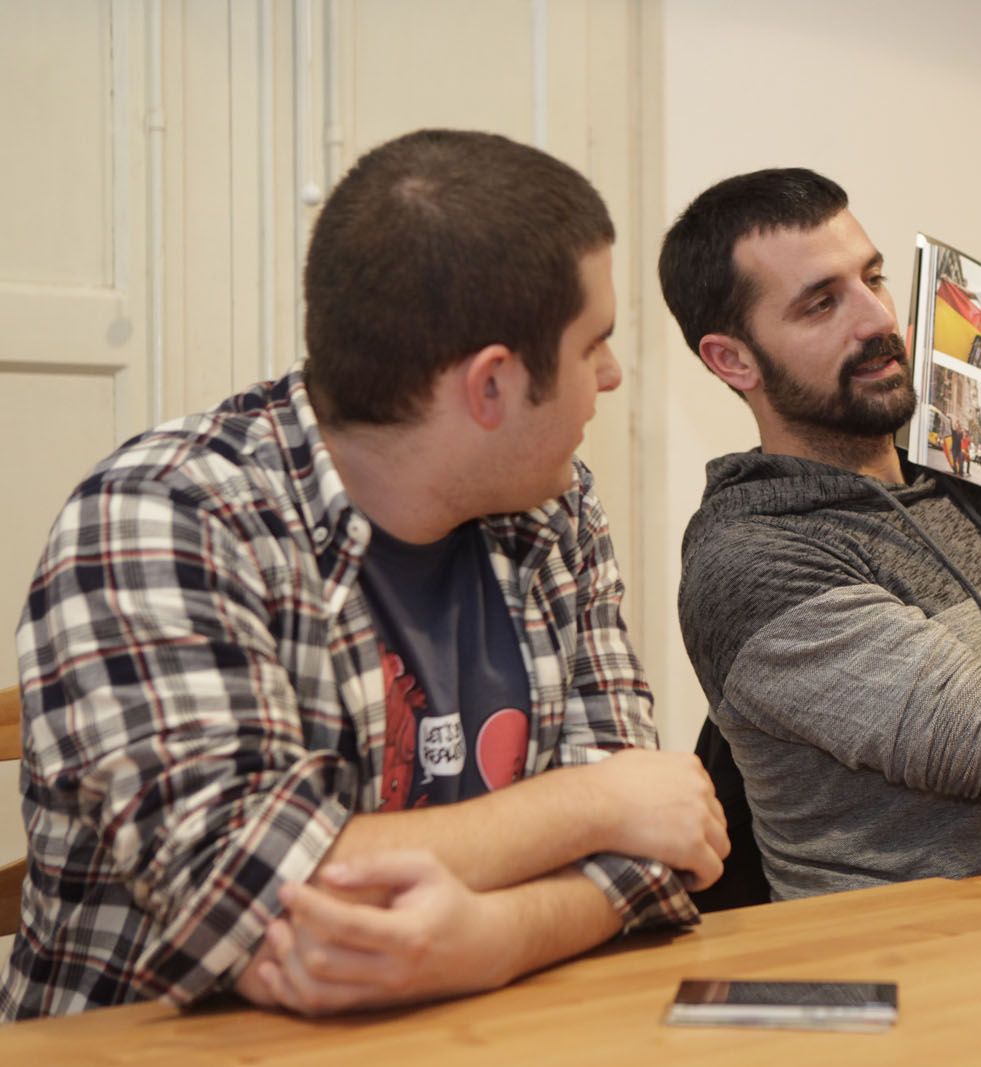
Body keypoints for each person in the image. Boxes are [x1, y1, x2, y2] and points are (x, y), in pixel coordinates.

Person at [2, 129, 728, 1021]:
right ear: (490, 386)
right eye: (594, 346)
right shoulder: (157, 519)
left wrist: (491, 942)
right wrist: (597, 800)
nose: (612, 376)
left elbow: (659, 856)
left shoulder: (553, 505)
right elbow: (248, 888)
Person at [658, 168, 981, 901]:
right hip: (913, 984)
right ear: (732, 358)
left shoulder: (954, 462)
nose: (876, 320)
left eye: (874, 279)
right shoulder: (754, 560)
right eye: (822, 304)